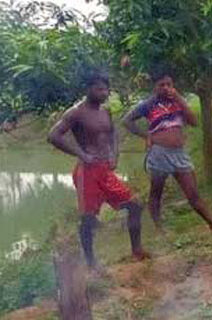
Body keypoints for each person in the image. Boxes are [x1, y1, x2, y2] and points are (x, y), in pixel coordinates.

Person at [48, 70, 149, 271]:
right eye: (99, 89)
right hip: (87, 172)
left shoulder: (105, 111)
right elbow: (54, 136)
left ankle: (136, 250)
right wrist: (81, 154)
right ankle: (92, 263)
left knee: (135, 205)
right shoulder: (75, 112)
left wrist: (115, 155)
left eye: (106, 89)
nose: (104, 93)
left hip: (105, 169)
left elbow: (113, 133)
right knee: (88, 219)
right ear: (88, 89)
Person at [123, 69, 212, 233]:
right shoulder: (149, 104)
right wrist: (146, 136)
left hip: (179, 154)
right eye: (162, 85)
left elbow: (194, 122)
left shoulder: (177, 103)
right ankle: (159, 228)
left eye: (169, 84)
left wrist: (179, 98)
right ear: (155, 88)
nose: (166, 88)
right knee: (156, 193)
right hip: (159, 153)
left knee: (193, 192)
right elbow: (127, 120)